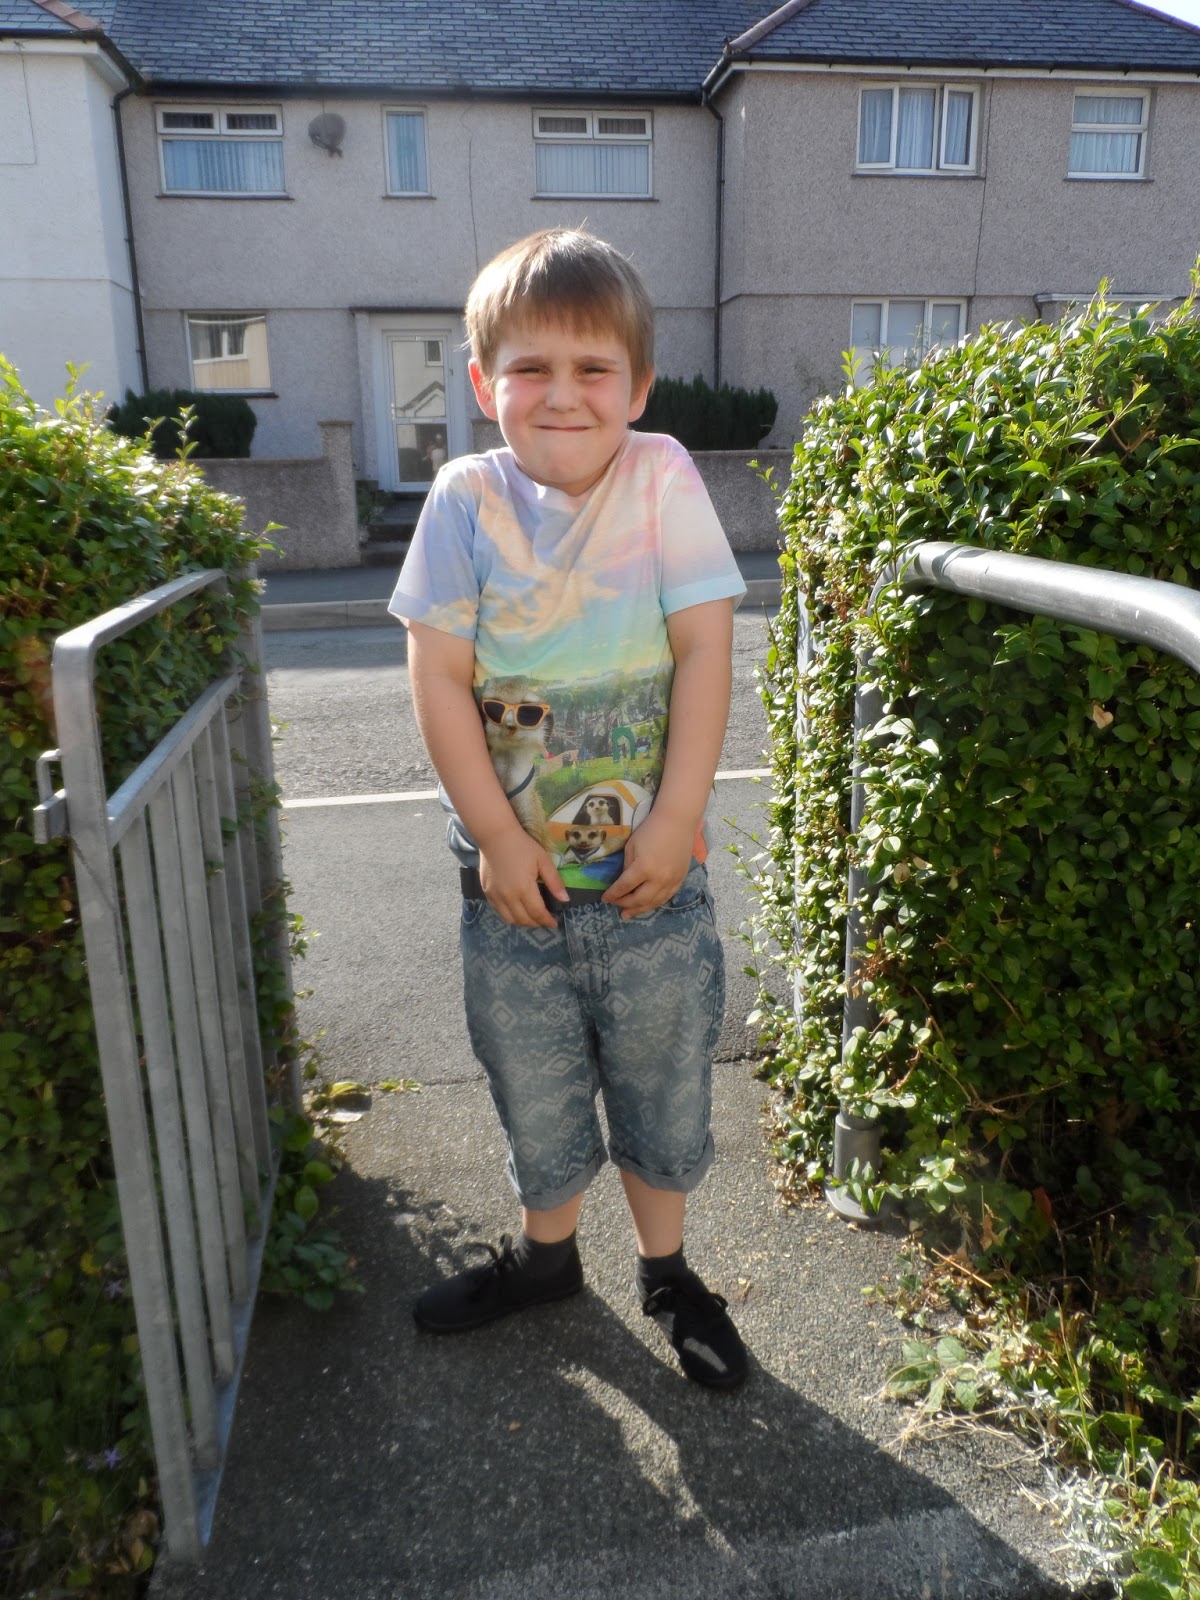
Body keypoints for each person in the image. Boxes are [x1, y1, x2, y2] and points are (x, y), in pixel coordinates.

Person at [388, 227, 749, 1389]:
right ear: (482, 383)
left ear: (637, 387)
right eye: (530, 368)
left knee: (662, 1088)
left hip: (652, 886)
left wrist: (675, 814)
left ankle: (668, 1273)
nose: (562, 393)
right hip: (514, 895)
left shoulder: (664, 477)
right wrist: (499, 835)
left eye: (594, 369)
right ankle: (547, 1261)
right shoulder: (463, 498)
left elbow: (705, 650)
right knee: (535, 1093)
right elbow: (438, 677)